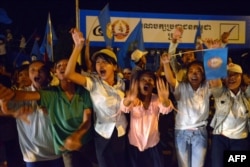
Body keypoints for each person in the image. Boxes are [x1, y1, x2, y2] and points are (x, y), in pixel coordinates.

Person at [64, 28, 128, 167]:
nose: (101, 65)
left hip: (122, 134)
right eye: (98, 62)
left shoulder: (124, 83)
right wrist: (78, 47)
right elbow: (68, 74)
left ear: (115, 67)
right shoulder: (93, 83)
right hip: (102, 135)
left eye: (105, 62)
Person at [0, 60, 64, 167]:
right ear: (29, 74)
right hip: (32, 155)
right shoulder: (21, 94)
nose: (37, 73)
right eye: (33, 70)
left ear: (48, 73)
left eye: (41, 70)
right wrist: (12, 113)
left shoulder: (56, 93)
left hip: (56, 153)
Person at [162, 54, 212, 167]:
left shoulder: (206, 87)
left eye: (198, 71)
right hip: (181, 132)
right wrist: (165, 64)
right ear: (187, 74)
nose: (194, 74)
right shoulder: (182, 87)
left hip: (200, 132)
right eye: (191, 71)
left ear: (203, 75)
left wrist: (216, 52)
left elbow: (216, 76)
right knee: (183, 165)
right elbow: (170, 80)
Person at [119, 70, 173, 167]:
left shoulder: (156, 99)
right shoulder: (133, 99)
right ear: (138, 83)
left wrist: (165, 100)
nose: (146, 82)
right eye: (143, 79)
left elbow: (166, 109)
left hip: (152, 144)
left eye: (150, 80)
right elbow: (124, 108)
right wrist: (129, 99)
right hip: (134, 144)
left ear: (154, 85)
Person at [209, 63, 250, 167]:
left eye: (235, 74)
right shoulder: (220, 93)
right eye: (227, 74)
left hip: (240, 140)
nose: (231, 77)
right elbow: (214, 82)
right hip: (220, 139)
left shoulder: (247, 94)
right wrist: (216, 54)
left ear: (241, 76)